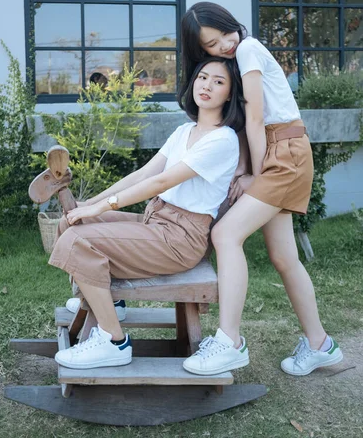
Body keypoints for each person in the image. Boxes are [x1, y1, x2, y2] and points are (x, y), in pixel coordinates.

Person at [180, 2, 343, 377]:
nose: (225, 43)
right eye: (212, 43)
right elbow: (245, 125)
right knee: (284, 257)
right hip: (281, 150)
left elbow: (255, 120)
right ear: (201, 50)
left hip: (282, 153)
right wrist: (243, 167)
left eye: (225, 32)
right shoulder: (236, 61)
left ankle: (229, 341)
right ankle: (320, 344)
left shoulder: (249, 48)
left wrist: (255, 172)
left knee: (225, 234)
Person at [49, 57, 245, 370]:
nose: (207, 85)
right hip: (157, 221)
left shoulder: (223, 139)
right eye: (203, 77)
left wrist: (104, 205)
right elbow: (144, 173)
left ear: (230, 94)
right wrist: (91, 205)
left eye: (218, 82)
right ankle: (112, 305)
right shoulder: (185, 131)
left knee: (77, 241)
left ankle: (113, 341)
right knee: (70, 223)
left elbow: (162, 180)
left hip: (180, 238)